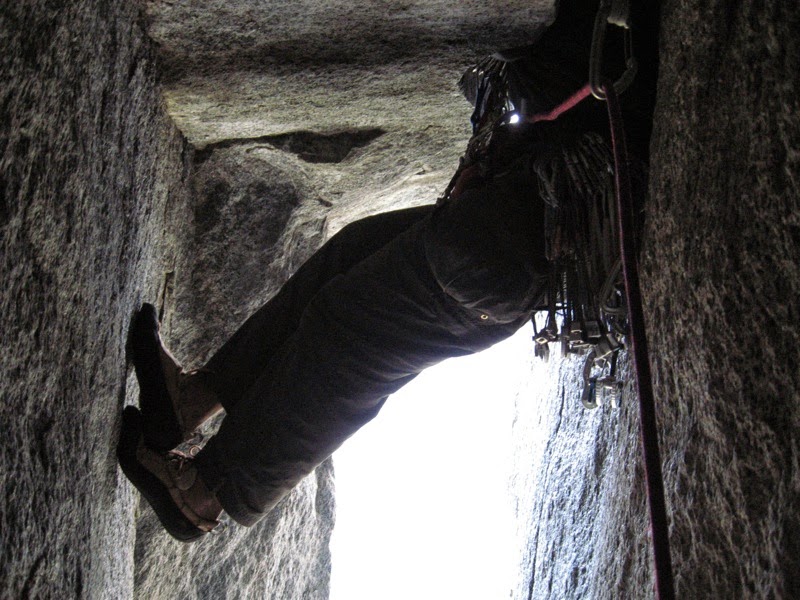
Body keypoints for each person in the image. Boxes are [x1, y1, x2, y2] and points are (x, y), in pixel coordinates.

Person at [117, 0, 659, 542]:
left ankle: (207, 490)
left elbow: (568, 70)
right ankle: (191, 401)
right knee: (348, 256)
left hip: (500, 244)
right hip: (498, 234)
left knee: (346, 341)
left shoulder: (628, 60)